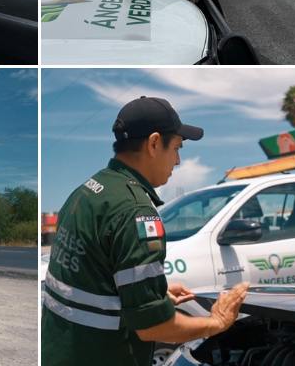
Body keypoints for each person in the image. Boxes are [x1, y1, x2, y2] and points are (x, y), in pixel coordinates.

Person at [41, 96, 250, 366]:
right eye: (176, 148)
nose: (177, 161)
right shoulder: (137, 212)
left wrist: (153, 297)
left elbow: (91, 278)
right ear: (153, 143)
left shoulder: (87, 191)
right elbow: (154, 328)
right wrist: (216, 322)